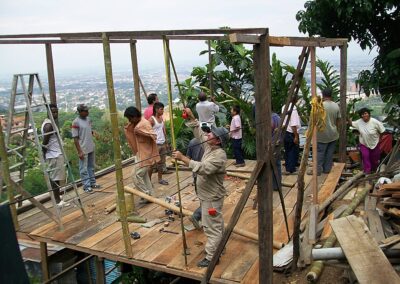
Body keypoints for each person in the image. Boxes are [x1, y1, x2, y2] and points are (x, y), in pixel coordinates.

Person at [172, 108, 229, 268]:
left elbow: (204, 168)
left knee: (212, 228)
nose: (208, 134)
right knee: (216, 224)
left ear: (218, 140)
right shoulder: (211, 147)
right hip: (207, 196)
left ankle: (212, 257)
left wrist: (183, 158)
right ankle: (220, 248)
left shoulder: (219, 155)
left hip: (211, 198)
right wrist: (192, 118)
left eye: (211, 134)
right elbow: (200, 134)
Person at [124, 106, 160, 202]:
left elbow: (153, 135)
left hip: (146, 156)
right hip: (140, 154)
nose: (130, 121)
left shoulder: (143, 124)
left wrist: (140, 131)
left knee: (135, 175)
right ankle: (151, 195)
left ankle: (146, 195)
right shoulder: (138, 123)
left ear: (135, 116)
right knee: (144, 177)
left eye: (130, 118)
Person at [42, 104, 68, 206]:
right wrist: (43, 155)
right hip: (54, 155)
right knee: (55, 178)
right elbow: (45, 142)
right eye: (53, 112)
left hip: (55, 154)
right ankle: (57, 200)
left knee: (57, 177)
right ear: (48, 112)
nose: (55, 114)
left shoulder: (50, 123)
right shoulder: (49, 125)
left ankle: (57, 196)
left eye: (56, 111)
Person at [311, 88, 341, 176]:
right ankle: (327, 170)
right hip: (333, 134)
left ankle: (318, 171)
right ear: (331, 95)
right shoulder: (336, 106)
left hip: (321, 134)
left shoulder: (319, 106)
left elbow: (313, 120)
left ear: (323, 95)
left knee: (320, 153)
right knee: (329, 153)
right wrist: (336, 129)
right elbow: (338, 121)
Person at [71, 104, 100, 193]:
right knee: (83, 168)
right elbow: (75, 138)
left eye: (87, 110)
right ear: (80, 112)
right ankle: (86, 186)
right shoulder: (76, 122)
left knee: (91, 167)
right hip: (83, 148)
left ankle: (92, 182)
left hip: (90, 146)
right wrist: (79, 151)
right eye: (85, 111)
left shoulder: (88, 119)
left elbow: (87, 130)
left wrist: (93, 132)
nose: (87, 112)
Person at [349, 107, 385, 174]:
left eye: (365, 113)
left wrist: (380, 139)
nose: (364, 115)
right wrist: (347, 118)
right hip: (364, 143)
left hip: (375, 143)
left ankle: (374, 170)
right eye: (362, 114)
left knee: (374, 158)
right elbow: (351, 124)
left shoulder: (375, 122)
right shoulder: (359, 122)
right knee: (365, 156)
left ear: (369, 114)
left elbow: (382, 131)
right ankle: (367, 171)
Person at [148, 102, 169, 185]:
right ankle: (148, 181)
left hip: (162, 143)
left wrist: (166, 142)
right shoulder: (151, 120)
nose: (163, 111)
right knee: (152, 164)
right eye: (161, 109)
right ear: (156, 109)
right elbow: (148, 131)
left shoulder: (161, 118)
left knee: (161, 163)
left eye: (163, 109)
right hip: (155, 145)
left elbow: (163, 130)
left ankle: (160, 179)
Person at [186, 137, 204, 228]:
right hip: (206, 175)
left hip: (196, 175)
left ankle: (201, 217)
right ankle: (197, 216)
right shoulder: (210, 141)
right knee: (208, 200)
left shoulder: (192, 141)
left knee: (202, 198)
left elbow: (187, 159)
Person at [282, 97, 301, 175]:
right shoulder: (293, 109)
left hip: (286, 131)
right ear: (295, 100)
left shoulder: (285, 106)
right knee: (292, 151)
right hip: (291, 132)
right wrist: (296, 136)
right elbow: (293, 124)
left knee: (288, 150)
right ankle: (291, 169)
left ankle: (288, 165)